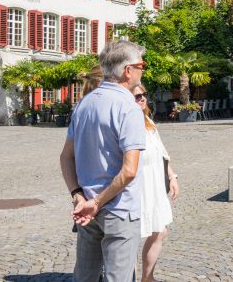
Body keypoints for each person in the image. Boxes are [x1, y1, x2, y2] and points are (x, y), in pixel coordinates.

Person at [59, 41, 147, 282]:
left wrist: (79, 196)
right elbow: (129, 171)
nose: (143, 71)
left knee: (85, 276)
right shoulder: (128, 107)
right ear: (128, 71)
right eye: (142, 65)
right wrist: (96, 202)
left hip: (87, 207)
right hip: (118, 208)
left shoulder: (84, 103)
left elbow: (66, 157)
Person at [132, 84, 179, 282]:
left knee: (159, 231)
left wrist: (172, 176)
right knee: (131, 238)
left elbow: (161, 153)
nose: (142, 98)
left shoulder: (148, 121)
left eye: (143, 95)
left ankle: (147, 278)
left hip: (154, 184)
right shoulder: (128, 123)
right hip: (138, 185)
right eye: (137, 96)